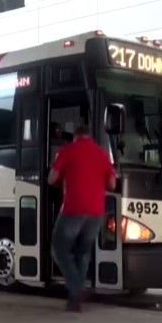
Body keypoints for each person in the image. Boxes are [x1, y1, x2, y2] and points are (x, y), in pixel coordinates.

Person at [47, 124, 116, 313]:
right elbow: (112, 183)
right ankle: (74, 301)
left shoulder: (67, 150)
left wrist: (64, 179)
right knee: (82, 252)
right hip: (96, 213)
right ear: (89, 136)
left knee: (60, 249)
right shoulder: (102, 153)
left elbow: (51, 178)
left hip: (73, 209)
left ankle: (77, 288)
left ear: (76, 136)